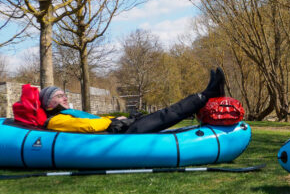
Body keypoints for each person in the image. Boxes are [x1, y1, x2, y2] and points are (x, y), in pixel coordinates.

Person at [40, 68, 226, 134]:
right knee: (167, 115)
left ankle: (206, 93)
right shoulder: (55, 120)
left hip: (121, 128)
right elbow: (88, 127)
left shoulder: (64, 114)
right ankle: (207, 94)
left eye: (64, 94)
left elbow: (89, 122)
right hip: (120, 134)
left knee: (165, 113)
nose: (64, 97)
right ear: (48, 104)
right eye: (58, 96)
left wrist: (116, 118)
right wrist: (113, 120)